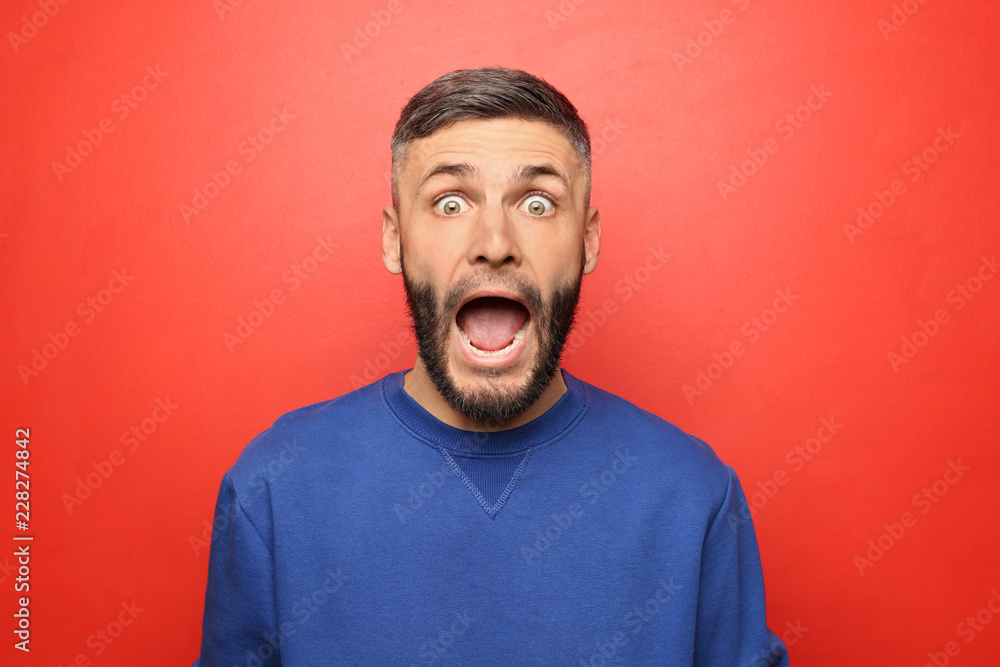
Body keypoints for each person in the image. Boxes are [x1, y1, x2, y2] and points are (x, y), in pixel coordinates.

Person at [193, 66, 790, 666]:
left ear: (588, 240)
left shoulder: (693, 496)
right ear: (395, 239)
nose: (495, 241)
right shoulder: (274, 490)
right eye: (450, 203)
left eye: (537, 203)